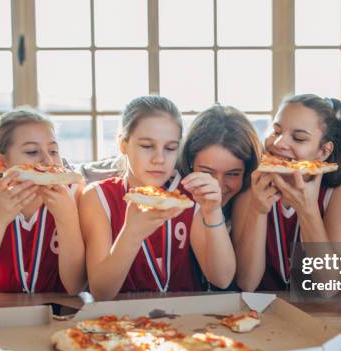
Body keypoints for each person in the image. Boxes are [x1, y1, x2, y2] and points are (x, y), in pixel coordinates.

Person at [79, 96, 235, 300]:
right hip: (120, 323)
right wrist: (131, 235)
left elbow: (222, 278)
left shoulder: (190, 193)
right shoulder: (97, 196)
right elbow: (101, 292)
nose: (159, 159)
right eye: (147, 146)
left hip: (188, 321)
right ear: (123, 144)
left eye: (170, 148)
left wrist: (213, 212)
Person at [0, 107, 86, 305]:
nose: (47, 160)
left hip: (61, 317)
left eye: (53, 151)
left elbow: (75, 286)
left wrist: (67, 219)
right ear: (1, 161)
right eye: (32, 152)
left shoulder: (75, 192)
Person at [232, 94, 341, 291]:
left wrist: (307, 210)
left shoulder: (339, 188)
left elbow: (328, 286)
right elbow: (247, 283)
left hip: (320, 314)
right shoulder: (253, 183)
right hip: (263, 312)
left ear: (323, 151)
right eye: (276, 131)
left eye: (298, 138)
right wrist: (257, 210)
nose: (279, 143)